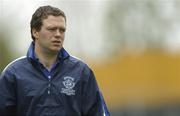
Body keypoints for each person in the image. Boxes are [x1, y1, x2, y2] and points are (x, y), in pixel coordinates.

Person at [0, 5, 110, 116]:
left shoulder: (81, 72)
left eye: (62, 30)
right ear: (35, 32)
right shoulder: (13, 73)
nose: (58, 34)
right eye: (51, 29)